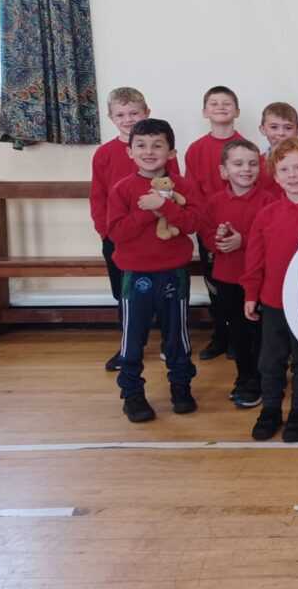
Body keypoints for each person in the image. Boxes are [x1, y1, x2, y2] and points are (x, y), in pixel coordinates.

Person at [106, 118, 200, 422]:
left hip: (174, 273)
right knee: (133, 338)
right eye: (141, 145)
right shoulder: (122, 188)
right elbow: (117, 232)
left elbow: (193, 223)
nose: (149, 152)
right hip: (136, 275)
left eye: (157, 145)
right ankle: (132, 393)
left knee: (177, 336)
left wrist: (163, 206)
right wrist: (148, 211)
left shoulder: (183, 186)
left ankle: (181, 386)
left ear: (171, 152)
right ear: (130, 151)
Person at [241, 138, 298, 443]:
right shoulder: (266, 215)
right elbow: (255, 260)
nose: (292, 175)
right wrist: (251, 294)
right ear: (275, 176)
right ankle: (270, 410)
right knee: (271, 362)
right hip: (273, 303)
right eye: (284, 169)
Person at [92, 87, 181, 372]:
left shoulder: (162, 151)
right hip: (119, 236)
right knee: (126, 294)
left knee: (167, 293)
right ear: (111, 118)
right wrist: (106, 232)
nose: (128, 119)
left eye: (134, 113)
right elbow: (98, 196)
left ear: (146, 113)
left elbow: (174, 189)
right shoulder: (104, 154)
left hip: (158, 236)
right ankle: (130, 346)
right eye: (121, 115)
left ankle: (170, 343)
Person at [199, 139, 276, 409]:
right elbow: (206, 235)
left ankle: (260, 379)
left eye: (253, 164)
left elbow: (273, 239)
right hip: (228, 280)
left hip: (260, 281)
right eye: (238, 164)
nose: (246, 169)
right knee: (239, 334)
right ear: (224, 170)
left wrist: (242, 241)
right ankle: (244, 377)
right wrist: (218, 238)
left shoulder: (269, 201)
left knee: (259, 334)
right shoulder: (215, 202)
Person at [184, 85, 245, 361]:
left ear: (237, 111)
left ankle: (238, 338)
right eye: (214, 103)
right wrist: (207, 226)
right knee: (214, 285)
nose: (220, 107)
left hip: (239, 228)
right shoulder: (196, 149)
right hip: (209, 228)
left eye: (226, 103)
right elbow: (192, 191)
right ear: (204, 112)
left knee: (238, 285)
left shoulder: (245, 148)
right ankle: (220, 335)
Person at [255, 102, 298, 199]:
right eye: (274, 127)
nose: (281, 133)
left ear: (297, 131)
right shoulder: (256, 162)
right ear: (262, 129)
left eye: (288, 128)